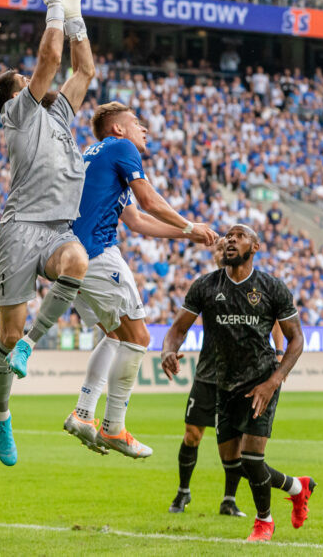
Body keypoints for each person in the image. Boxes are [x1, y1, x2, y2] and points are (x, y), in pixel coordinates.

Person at [61, 101, 217, 459]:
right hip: (97, 251)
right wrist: (190, 224)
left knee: (115, 335)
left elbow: (136, 221)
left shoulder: (96, 155)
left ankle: (82, 413)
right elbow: (148, 201)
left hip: (70, 256)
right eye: (136, 123)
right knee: (140, 337)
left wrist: (185, 236)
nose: (143, 129)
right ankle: (114, 426)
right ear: (118, 129)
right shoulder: (122, 148)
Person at [0, 0, 95, 466]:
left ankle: (32, 344)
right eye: (24, 80)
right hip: (19, 231)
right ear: (14, 95)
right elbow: (50, 61)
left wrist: (75, 19)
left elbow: (84, 71)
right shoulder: (21, 113)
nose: (33, 81)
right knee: (4, 337)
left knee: (77, 260)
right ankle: (2, 415)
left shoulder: (57, 114)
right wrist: (52, 6)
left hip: (55, 230)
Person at [161, 225, 314, 543]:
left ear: (255, 246)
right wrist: (168, 350)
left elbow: (296, 339)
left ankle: (264, 522)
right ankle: (298, 487)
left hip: (261, 383)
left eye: (239, 236)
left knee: (252, 458)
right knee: (233, 463)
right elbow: (178, 328)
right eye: (228, 236)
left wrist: (274, 381)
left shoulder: (271, 287)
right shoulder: (205, 286)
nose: (231, 240)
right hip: (222, 383)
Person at [169, 239, 287, 517]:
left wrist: (279, 355)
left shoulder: (260, 287)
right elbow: (179, 326)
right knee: (192, 434)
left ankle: (229, 499)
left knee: (236, 450)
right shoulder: (209, 286)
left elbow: (279, 321)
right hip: (209, 372)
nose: (224, 251)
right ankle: (183, 492)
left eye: (228, 247)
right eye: (221, 248)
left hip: (242, 376)